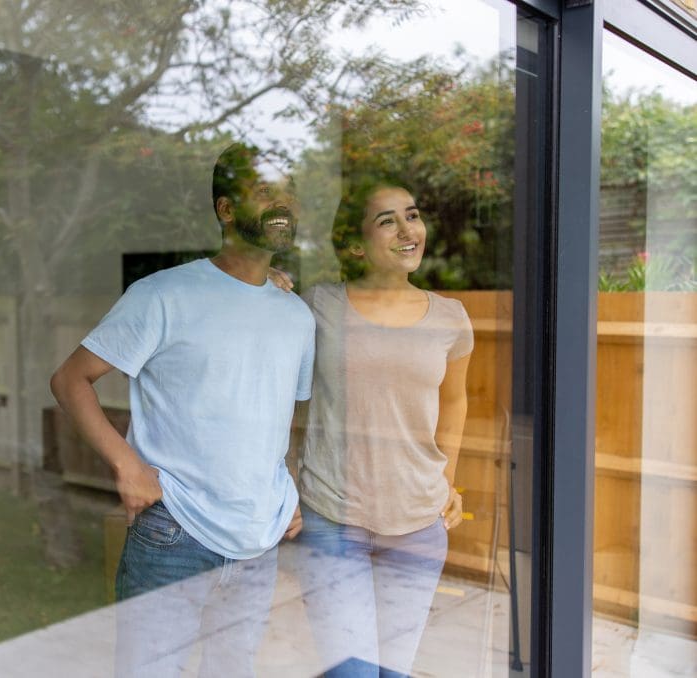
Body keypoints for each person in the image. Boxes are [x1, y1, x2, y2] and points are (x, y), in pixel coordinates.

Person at [49, 142, 315, 677]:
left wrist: (285, 489)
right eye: (264, 190)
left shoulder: (296, 315)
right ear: (226, 209)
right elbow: (70, 380)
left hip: (258, 542)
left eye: (287, 191)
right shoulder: (163, 295)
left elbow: (271, 415)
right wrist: (127, 465)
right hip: (173, 534)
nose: (282, 202)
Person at [289, 178, 471, 677]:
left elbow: (455, 401)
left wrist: (448, 481)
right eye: (387, 221)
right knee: (352, 672)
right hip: (333, 518)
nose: (408, 230)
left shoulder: (450, 317)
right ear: (355, 244)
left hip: (418, 523)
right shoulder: (316, 306)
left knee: (394, 671)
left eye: (412, 215)